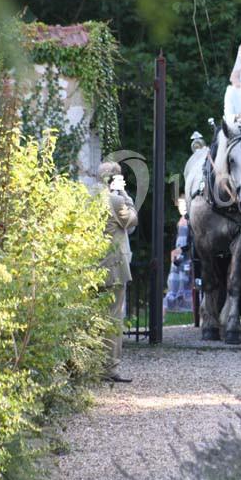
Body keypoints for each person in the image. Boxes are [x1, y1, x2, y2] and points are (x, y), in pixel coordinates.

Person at [98, 160, 138, 383]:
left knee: (95, 317)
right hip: (114, 267)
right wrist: (123, 193)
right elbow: (132, 220)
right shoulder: (115, 200)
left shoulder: (90, 199)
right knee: (113, 319)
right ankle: (110, 368)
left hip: (95, 266)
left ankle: (92, 364)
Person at [164, 196, 193, 312]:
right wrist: (173, 251)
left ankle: (188, 308)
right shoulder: (180, 220)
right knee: (173, 281)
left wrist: (183, 249)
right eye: (180, 205)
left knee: (185, 281)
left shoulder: (191, 220)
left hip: (186, 256)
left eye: (185, 204)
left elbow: (193, 240)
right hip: (177, 256)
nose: (183, 207)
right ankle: (170, 307)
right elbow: (176, 238)